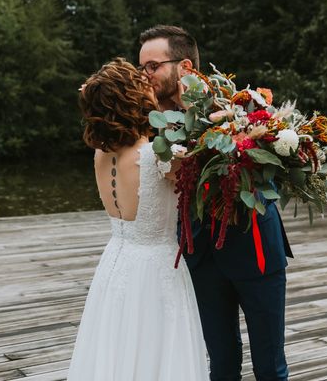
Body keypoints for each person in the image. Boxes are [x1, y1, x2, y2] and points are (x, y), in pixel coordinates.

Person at [139, 26, 294, 381]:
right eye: (141, 68)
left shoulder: (236, 108)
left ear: (185, 68)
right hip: (201, 257)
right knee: (220, 366)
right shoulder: (148, 122)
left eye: (153, 66)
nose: (145, 76)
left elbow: (267, 174)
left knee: (270, 367)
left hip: (253, 250)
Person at [68, 58, 209, 380]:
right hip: (155, 268)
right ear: (135, 97)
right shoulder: (158, 156)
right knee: (156, 349)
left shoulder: (101, 154)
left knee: (117, 347)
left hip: (115, 263)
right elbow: (206, 170)